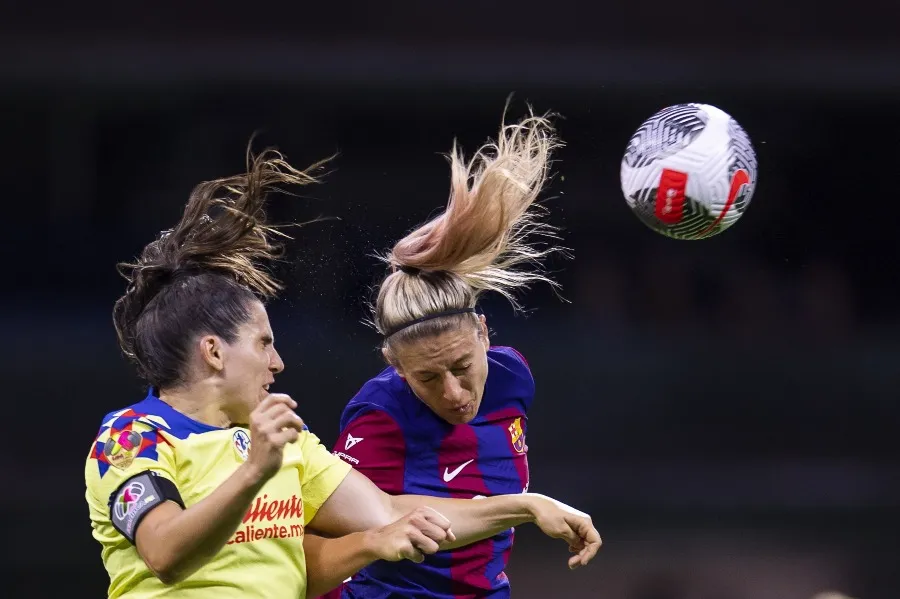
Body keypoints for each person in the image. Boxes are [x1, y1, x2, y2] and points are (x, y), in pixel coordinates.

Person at [84, 144, 601, 599]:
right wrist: (253, 473)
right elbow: (163, 553)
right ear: (215, 352)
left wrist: (528, 507)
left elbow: (388, 512)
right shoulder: (131, 439)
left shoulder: (286, 445)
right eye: (264, 343)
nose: (277, 362)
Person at [321, 109, 569, 598]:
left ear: (483, 332)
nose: (454, 393)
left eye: (461, 367)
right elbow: (343, 531)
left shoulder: (511, 376)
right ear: (396, 367)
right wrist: (528, 506)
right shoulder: (378, 416)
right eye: (429, 379)